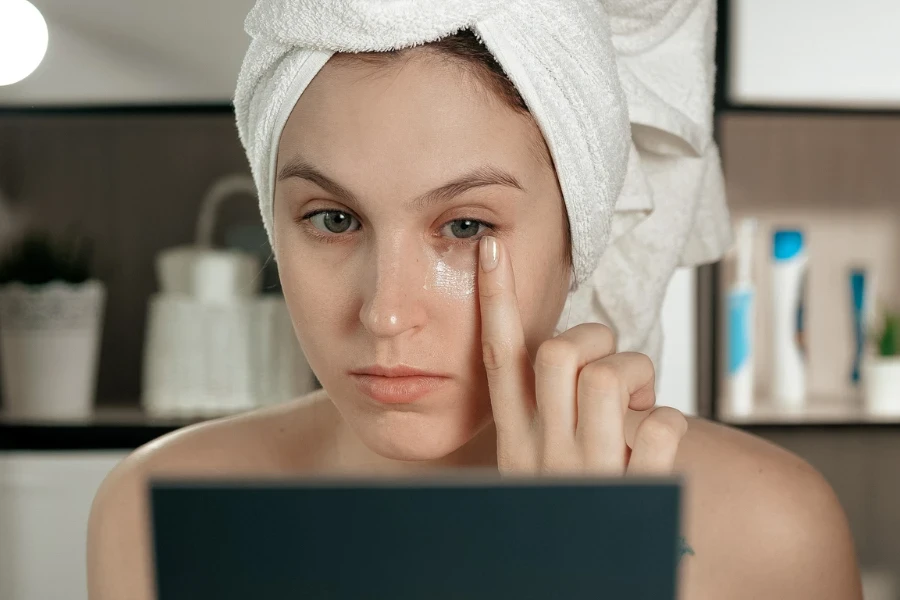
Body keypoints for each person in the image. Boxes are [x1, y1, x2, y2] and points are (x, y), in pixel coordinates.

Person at [87, 27, 863, 600]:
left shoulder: (771, 532)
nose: (386, 314)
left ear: (577, 236)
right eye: (332, 219)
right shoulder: (154, 508)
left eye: (466, 227)